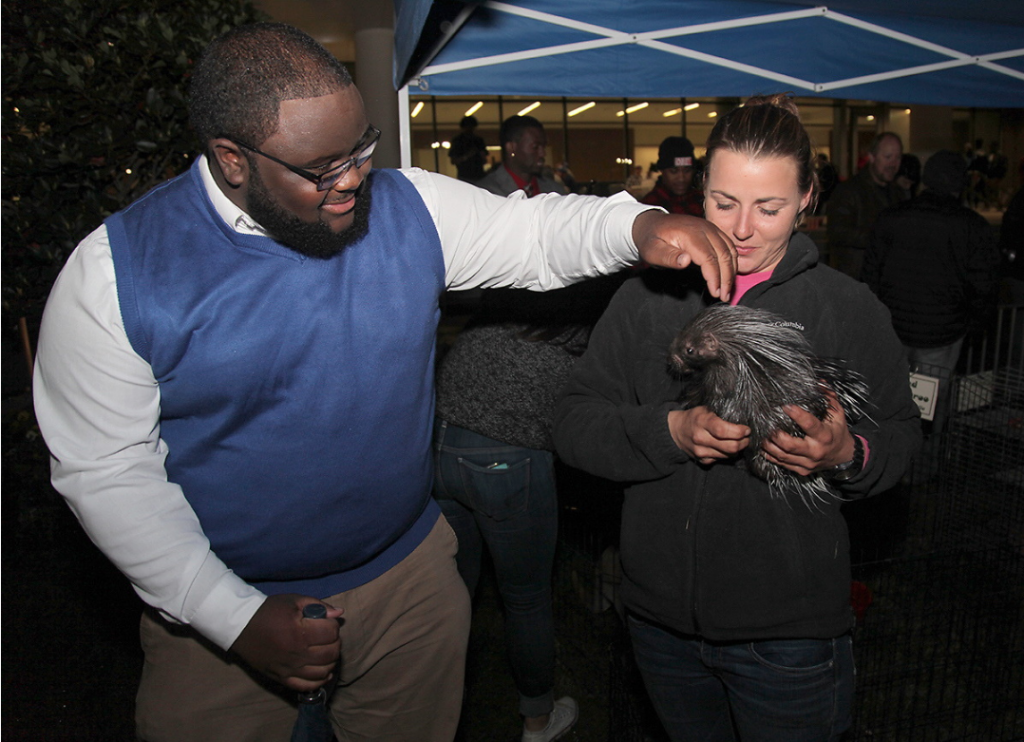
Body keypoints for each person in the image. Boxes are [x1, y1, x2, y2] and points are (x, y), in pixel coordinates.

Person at [31, 22, 738, 742]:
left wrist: (637, 226)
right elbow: (107, 471)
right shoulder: (115, 275)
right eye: (321, 168)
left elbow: (530, 237)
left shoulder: (407, 208)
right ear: (230, 160)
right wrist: (232, 617)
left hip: (407, 580)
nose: (352, 180)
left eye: (360, 149)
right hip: (220, 615)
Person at [553, 94, 921, 742]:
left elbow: (903, 439)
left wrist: (847, 455)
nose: (743, 229)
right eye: (725, 203)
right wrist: (665, 432)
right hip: (660, 625)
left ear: (808, 195)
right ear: (700, 190)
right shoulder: (646, 297)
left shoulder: (849, 308)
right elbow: (574, 422)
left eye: (770, 207)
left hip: (790, 638)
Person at [433, 275, 627, 742]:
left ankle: (437, 708)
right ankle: (538, 720)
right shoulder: (588, 330)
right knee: (525, 599)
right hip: (506, 464)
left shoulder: (505, 306)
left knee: (451, 593)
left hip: (437, 450)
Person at [864, 150, 1000, 439]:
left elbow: (871, 272)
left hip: (894, 326)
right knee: (932, 400)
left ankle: (888, 456)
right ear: (959, 184)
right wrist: (974, 326)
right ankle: (927, 460)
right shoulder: (972, 226)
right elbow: (984, 285)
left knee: (889, 395)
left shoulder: (893, 217)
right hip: (942, 331)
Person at [827, 131, 905, 279]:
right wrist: (879, 236)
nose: (893, 164)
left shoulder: (898, 193)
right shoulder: (849, 191)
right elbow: (837, 231)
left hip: (887, 279)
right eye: (888, 157)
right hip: (856, 279)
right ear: (872, 157)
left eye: (898, 157)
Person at [477, 115, 567, 197]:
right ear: (511, 148)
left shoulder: (555, 191)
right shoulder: (486, 192)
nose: (542, 153)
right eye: (535, 147)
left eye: (543, 147)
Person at [640, 136, 705, 217]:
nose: (681, 178)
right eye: (674, 171)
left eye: (687, 170)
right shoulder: (649, 206)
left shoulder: (702, 201)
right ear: (662, 170)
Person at [449, 114, 488, 183]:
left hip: (478, 176)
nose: (470, 129)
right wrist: (467, 156)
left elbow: (484, 159)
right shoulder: (458, 141)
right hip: (464, 176)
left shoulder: (478, 140)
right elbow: (453, 160)